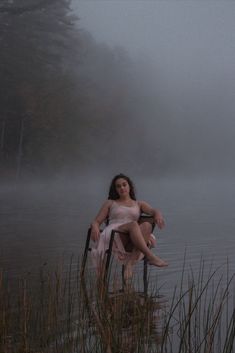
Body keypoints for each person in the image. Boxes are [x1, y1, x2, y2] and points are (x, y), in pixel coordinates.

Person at [90, 173, 168, 279]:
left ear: (129, 186)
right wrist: (95, 226)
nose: (122, 188)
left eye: (124, 184)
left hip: (134, 237)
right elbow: (97, 221)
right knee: (134, 224)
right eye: (118, 186)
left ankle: (130, 264)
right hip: (116, 234)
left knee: (146, 225)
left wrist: (158, 214)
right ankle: (150, 256)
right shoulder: (110, 203)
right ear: (115, 189)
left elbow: (153, 210)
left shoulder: (139, 204)